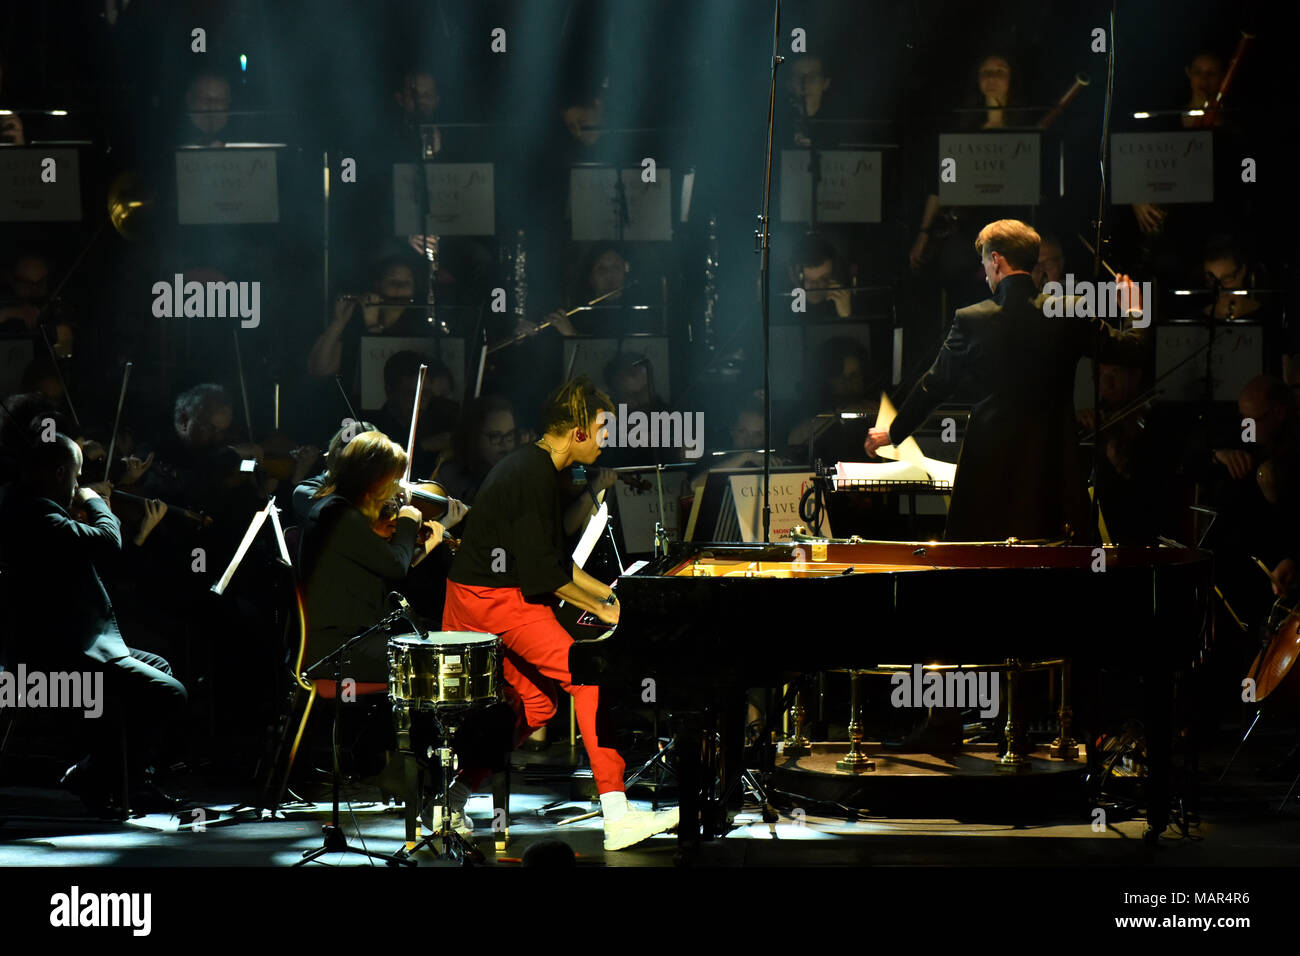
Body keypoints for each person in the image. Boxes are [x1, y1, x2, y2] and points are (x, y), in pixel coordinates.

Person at [440, 377, 678, 850]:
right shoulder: (530, 472)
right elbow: (545, 577)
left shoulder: (538, 467)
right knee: (589, 676)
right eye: (603, 428)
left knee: (538, 704)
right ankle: (616, 812)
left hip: (491, 596)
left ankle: (451, 798)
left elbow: (556, 564)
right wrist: (610, 610)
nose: (608, 438)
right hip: (492, 602)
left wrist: (616, 598)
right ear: (579, 432)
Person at [865, 219, 1149, 542]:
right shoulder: (1070, 310)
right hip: (1051, 464)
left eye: (985, 261)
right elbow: (1135, 350)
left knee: (984, 561)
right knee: (1057, 560)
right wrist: (1138, 310)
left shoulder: (971, 319)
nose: (984, 270)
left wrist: (894, 432)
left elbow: (935, 385)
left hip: (989, 466)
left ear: (997, 259)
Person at [0, 433, 187, 814]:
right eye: (77, 475)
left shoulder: (30, 507)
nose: (78, 484)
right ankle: (93, 773)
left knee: (159, 669)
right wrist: (95, 501)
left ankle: (132, 781)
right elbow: (106, 542)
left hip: (75, 641)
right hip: (57, 654)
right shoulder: (36, 514)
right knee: (169, 692)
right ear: (58, 473)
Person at [297, 430, 447, 686]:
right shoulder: (338, 515)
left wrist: (421, 547)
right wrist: (408, 521)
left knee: (440, 631)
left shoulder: (342, 511)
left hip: (359, 638)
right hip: (338, 650)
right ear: (374, 480)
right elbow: (395, 566)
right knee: (444, 660)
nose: (396, 490)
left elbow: (384, 567)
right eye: (393, 480)